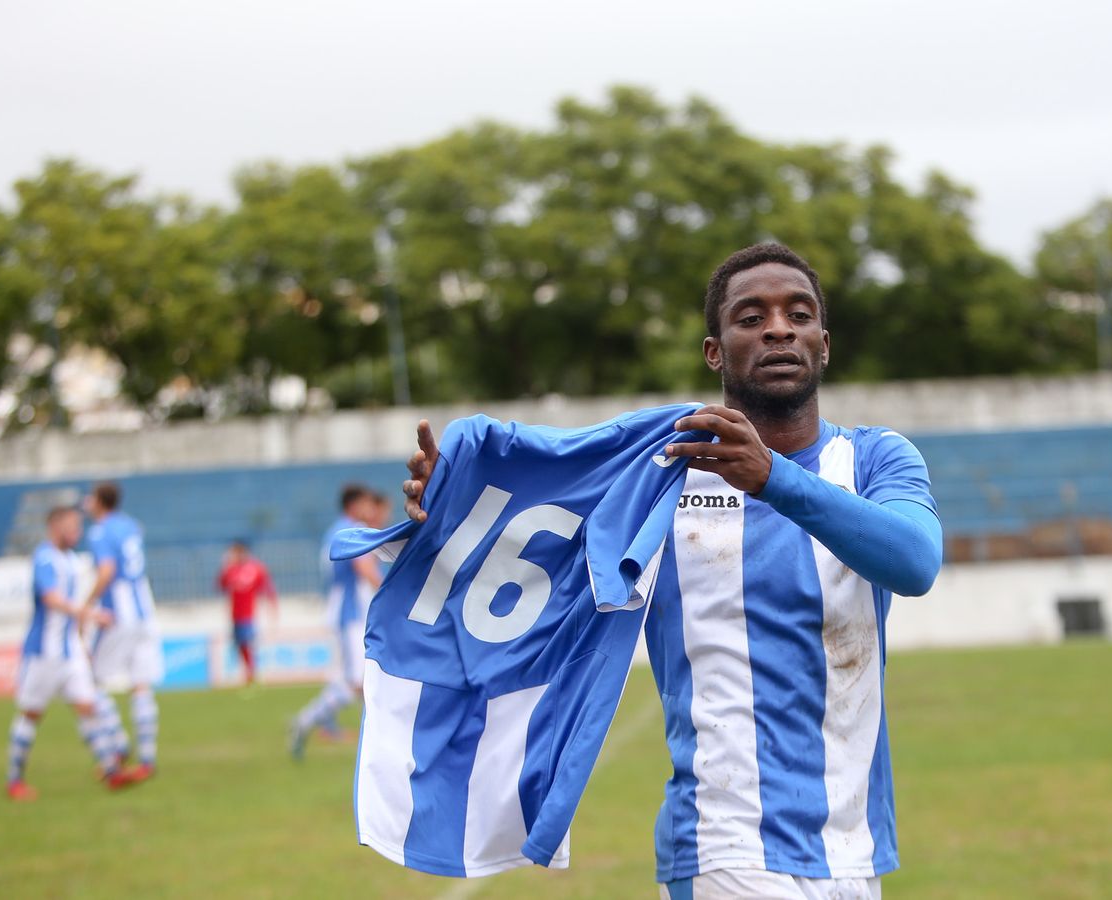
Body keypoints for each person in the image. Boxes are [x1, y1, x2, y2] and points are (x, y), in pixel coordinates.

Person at [400, 243, 943, 898]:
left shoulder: (876, 460)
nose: (778, 328)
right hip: (725, 848)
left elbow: (915, 561)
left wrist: (773, 480)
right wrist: (454, 508)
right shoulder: (661, 474)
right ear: (714, 351)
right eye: (751, 317)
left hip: (854, 853)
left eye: (798, 315)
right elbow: (533, 548)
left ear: (823, 345)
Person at [5, 506, 140, 800]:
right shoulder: (44, 557)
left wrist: (82, 629)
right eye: (72, 526)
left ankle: (112, 772)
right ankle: (14, 780)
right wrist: (87, 613)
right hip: (43, 654)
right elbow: (50, 598)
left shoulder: (72, 560)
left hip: (70, 655)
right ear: (55, 527)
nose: (77, 531)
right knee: (31, 715)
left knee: (89, 707)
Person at [288, 484, 384, 759]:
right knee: (357, 681)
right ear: (354, 505)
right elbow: (363, 568)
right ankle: (304, 721)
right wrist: (393, 591)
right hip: (350, 613)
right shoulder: (351, 530)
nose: (370, 509)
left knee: (358, 679)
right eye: (366, 503)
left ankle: (373, 739)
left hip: (344, 610)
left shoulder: (336, 530)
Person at [81, 481, 163, 781]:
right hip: (145, 609)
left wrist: (86, 606)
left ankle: (117, 745)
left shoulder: (100, 531)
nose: (87, 503)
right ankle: (147, 760)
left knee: (91, 682)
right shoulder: (131, 526)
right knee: (141, 685)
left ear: (100, 502)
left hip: (119, 611)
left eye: (90, 498)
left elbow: (106, 571)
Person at [217, 539, 277, 686]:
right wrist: (225, 567)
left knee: (248, 643)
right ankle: (248, 674)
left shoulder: (256, 568)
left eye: (235, 551)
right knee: (239, 644)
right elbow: (221, 585)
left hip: (249, 614)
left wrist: (273, 606)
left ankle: (252, 674)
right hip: (235, 615)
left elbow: (267, 587)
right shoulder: (231, 569)